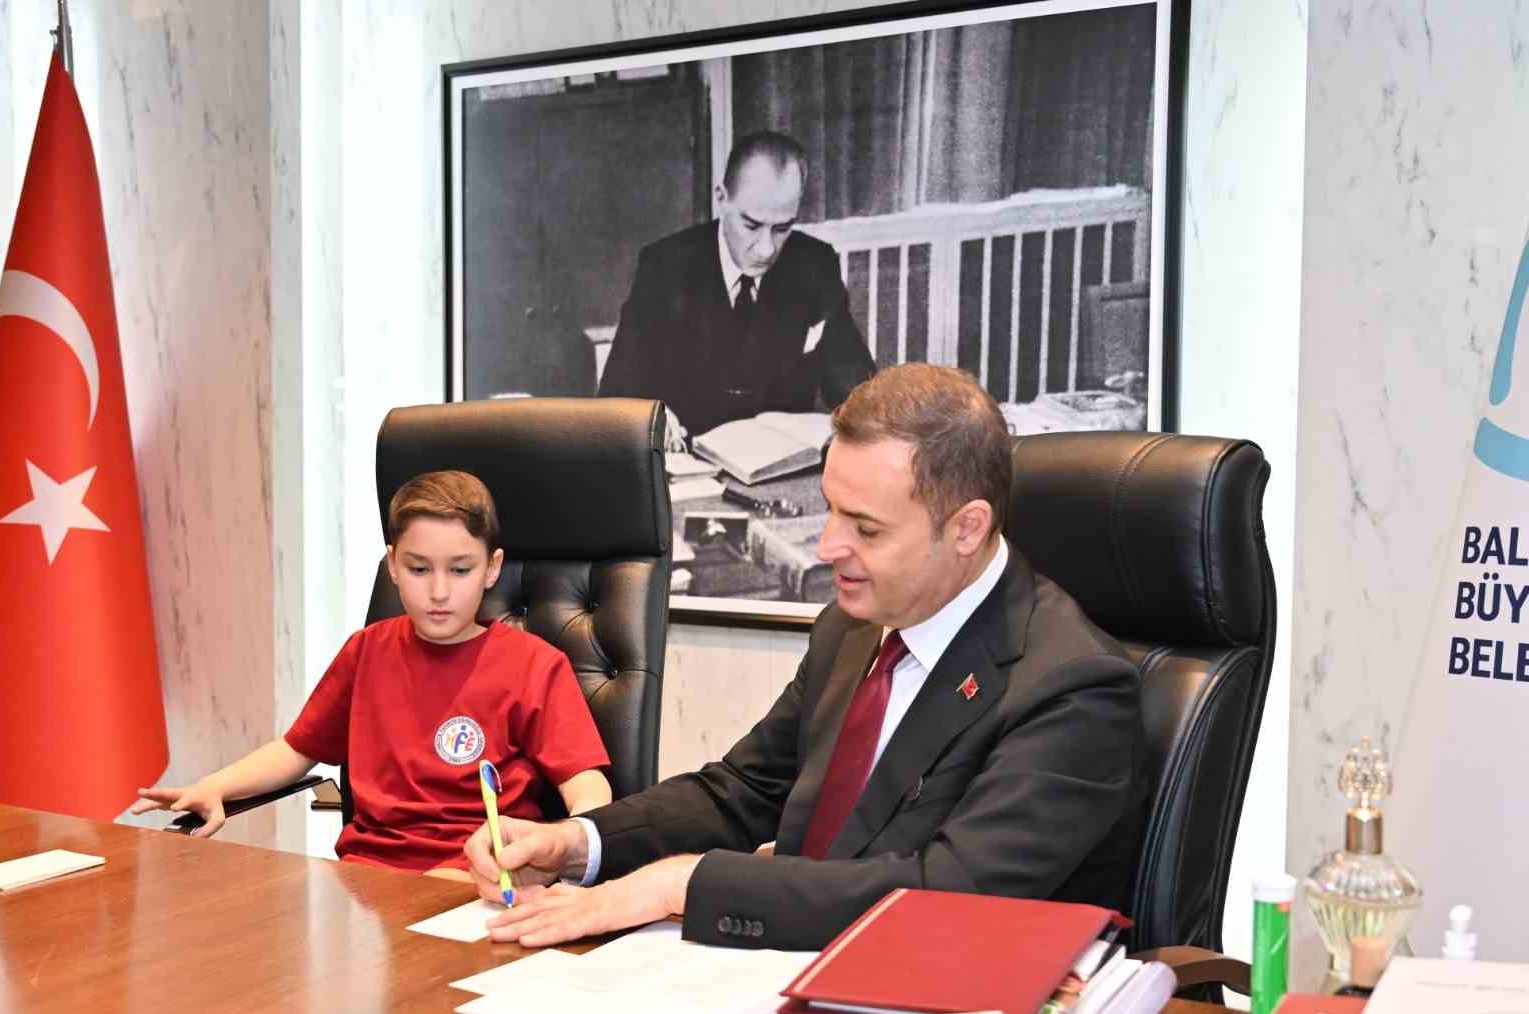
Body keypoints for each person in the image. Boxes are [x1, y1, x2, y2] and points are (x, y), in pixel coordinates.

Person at [466, 364, 1147, 949]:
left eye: (865, 528)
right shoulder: (851, 629)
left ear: (967, 528)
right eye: (829, 509)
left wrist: (685, 883)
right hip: (786, 973)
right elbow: (746, 792)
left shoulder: (1073, 687)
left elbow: (948, 893)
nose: (826, 548)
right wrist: (577, 843)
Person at [131, 470, 612, 878]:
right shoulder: (366, 651)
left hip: (475, 880)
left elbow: (589, 789)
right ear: (393, 566)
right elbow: (297, 750)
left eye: (460, 570)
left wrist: (559, 853)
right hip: (365, 880)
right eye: (419, 569)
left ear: (492, 568)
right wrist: (216, 786)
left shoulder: (534, 665)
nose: (439, 592)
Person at [597, 130, 875, 444]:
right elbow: (615, 397)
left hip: (782, 465)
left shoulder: (815, 265)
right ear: (721, 199)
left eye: (782, 228)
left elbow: (858, 389)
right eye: (751, 225)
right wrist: (650, 418)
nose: (766, 249)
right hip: (691, 464)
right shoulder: (664, 268)